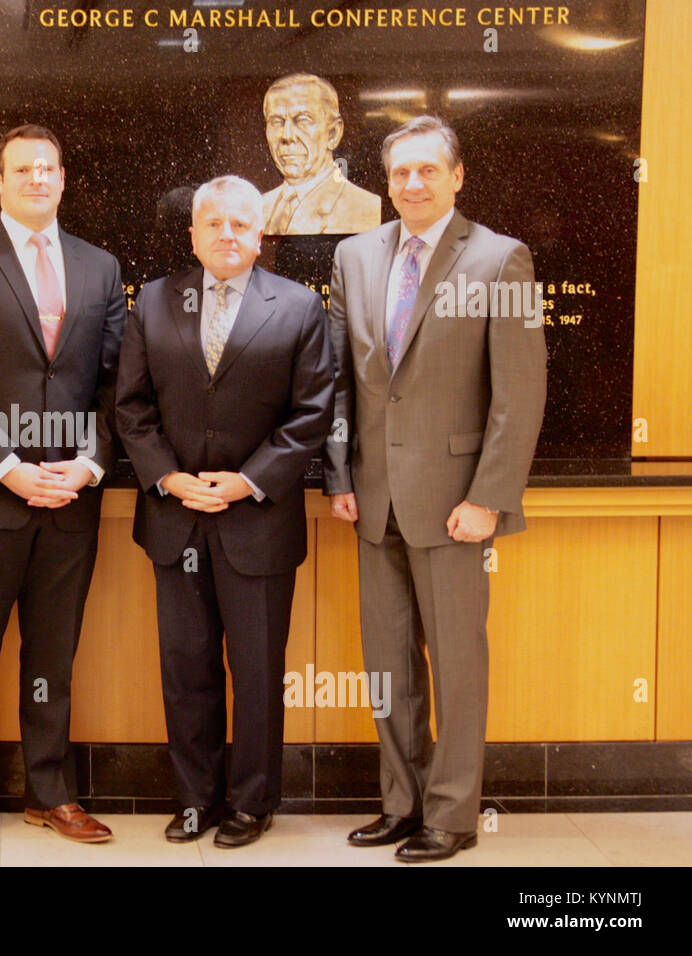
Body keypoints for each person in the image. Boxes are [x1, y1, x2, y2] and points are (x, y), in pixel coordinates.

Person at [323, 115, 547, 862]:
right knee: (387, 668)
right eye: (399, 173)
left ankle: (451, 815)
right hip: (373, 500)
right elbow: (344, 383)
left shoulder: (501, 259)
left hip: (457, 504)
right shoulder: (355, 257)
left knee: (456, 666)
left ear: (457, 176)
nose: (411, 184)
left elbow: (521, 392)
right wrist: (342, 474)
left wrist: (489, 497)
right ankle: (401, 802)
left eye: (426, 171)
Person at [0, 124, 127, 852]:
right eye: (22, 168)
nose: (37, 178)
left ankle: (51, 791)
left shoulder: (99, 267)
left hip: (71, 497)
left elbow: (117, 383)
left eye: (49, 168)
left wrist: (89, 465)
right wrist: (9, 467)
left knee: (53, 653)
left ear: (63, 179)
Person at [117, 175, 333, 846]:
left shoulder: (299, 308)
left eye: (241, 224)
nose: (228, 235)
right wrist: (171, 480)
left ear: (259, 233)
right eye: (214, 224)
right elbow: (130, 406)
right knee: (186, 668)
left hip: (257, 521)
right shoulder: (152, 301)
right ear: (193, 234)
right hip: (175, 516)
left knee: (259, 670)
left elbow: (312, 414)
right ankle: (194, 799)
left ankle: (251, 802)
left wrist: (246, 482)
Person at [260, 73, 381, 236]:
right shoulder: (257, 207)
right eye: (276, 122)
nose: (287, 136)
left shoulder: (367, 207)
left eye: (302, 120)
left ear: (333, 134)